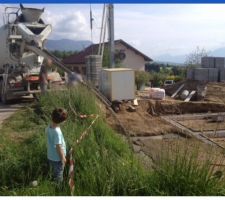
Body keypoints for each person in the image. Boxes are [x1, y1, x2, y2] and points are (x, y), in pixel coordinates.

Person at [46, 108, 68, 183]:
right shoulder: (57, 132)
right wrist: (63, 158)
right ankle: (58, 187)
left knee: (52, 172)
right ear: (62, 121)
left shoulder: (49, 127)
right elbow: (58, 147)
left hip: (50, 156)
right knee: (58, 174)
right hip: (57, 159)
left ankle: (51, 181)